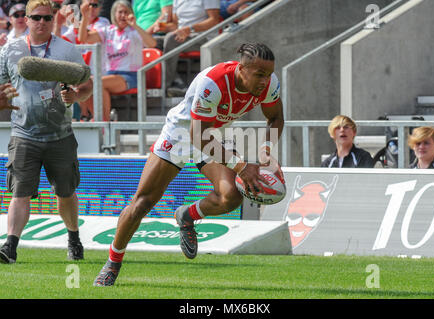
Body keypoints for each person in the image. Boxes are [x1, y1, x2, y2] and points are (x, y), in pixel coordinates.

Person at [92, 42, 284, 286]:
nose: (265, 81)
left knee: (232, 196)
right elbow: (197, 135)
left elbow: (276, 118)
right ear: (241, 69)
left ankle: (187, 215)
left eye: (268, 75)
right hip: (183, 133)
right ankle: (113, 261)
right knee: (143, 202)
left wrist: (266, 153)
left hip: (216, 133)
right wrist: (242, 166)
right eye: (259, 75)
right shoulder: (213, 82)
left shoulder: (269, 84)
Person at [0, 0, 93, 264]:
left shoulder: (66, 49)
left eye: (47, 18)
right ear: (26, 20)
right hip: (23, 132)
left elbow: (87, 84)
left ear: (53, 20)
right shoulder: (10, 50)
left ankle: (73, 238)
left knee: (65, 192)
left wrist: (76, 96)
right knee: (19, 192)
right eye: (36, 18)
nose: (42, 22)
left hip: (59, 133)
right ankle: (10, 246)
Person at [78, 0, 156, 121]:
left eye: (126, 12)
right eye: (120, 12)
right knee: (83, 83)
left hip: (131, 76)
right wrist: (84, 17)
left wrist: (135, 25)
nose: (123, 15)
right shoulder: (108, 30)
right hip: (109, 76)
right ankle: (101, 119)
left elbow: (152, 43)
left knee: (98, 83)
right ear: (114, 14)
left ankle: (106, 121)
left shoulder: (135, 31)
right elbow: (83, 38)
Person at [153, 0, 221, 96]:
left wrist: (190, 29)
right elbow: (176, 25)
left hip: (204, 37)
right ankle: (176, 81)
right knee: (153, 42)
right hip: (182, 36)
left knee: (171, 39)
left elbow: (214, 20)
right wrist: (163, 27)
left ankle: (166, 85)